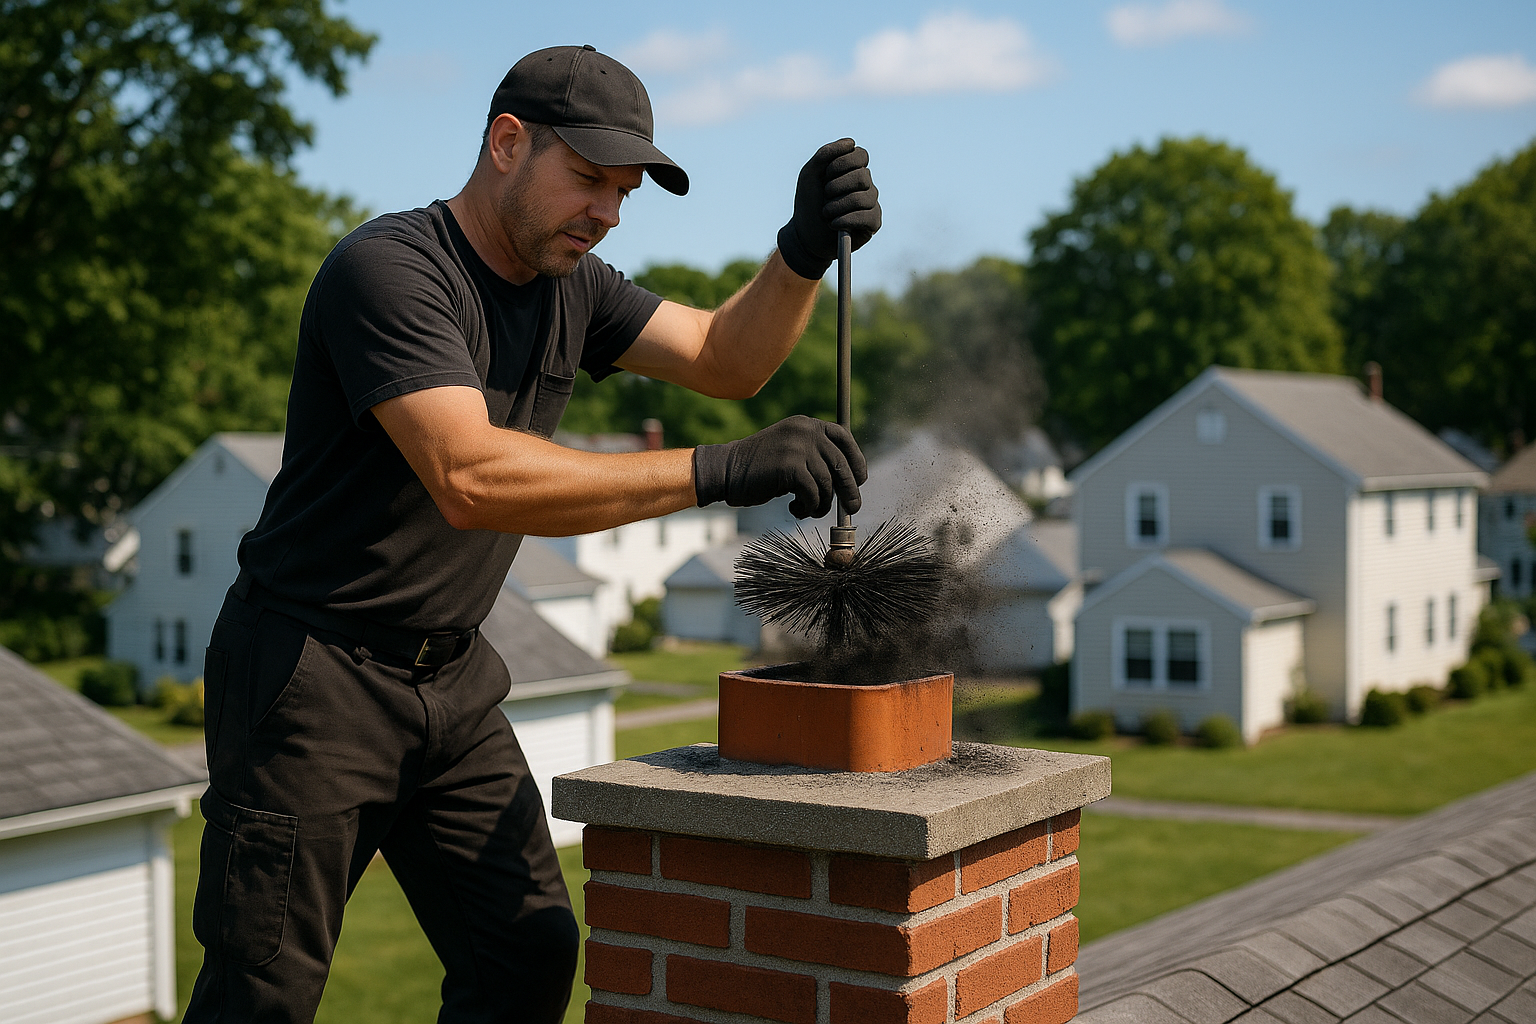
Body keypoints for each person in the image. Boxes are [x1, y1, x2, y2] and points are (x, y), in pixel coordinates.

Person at [184, 43, 881, 1024]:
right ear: (507, 144)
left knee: (527, 950)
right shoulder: (389, 271)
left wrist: (801, 249)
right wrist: (715, 470)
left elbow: (727, 359)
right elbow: (470, 474)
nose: (606, 212)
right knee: (263, 993)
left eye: (625, 193)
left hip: (451, 680)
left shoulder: (574, 286)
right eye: (589, 180)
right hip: (310, 677)